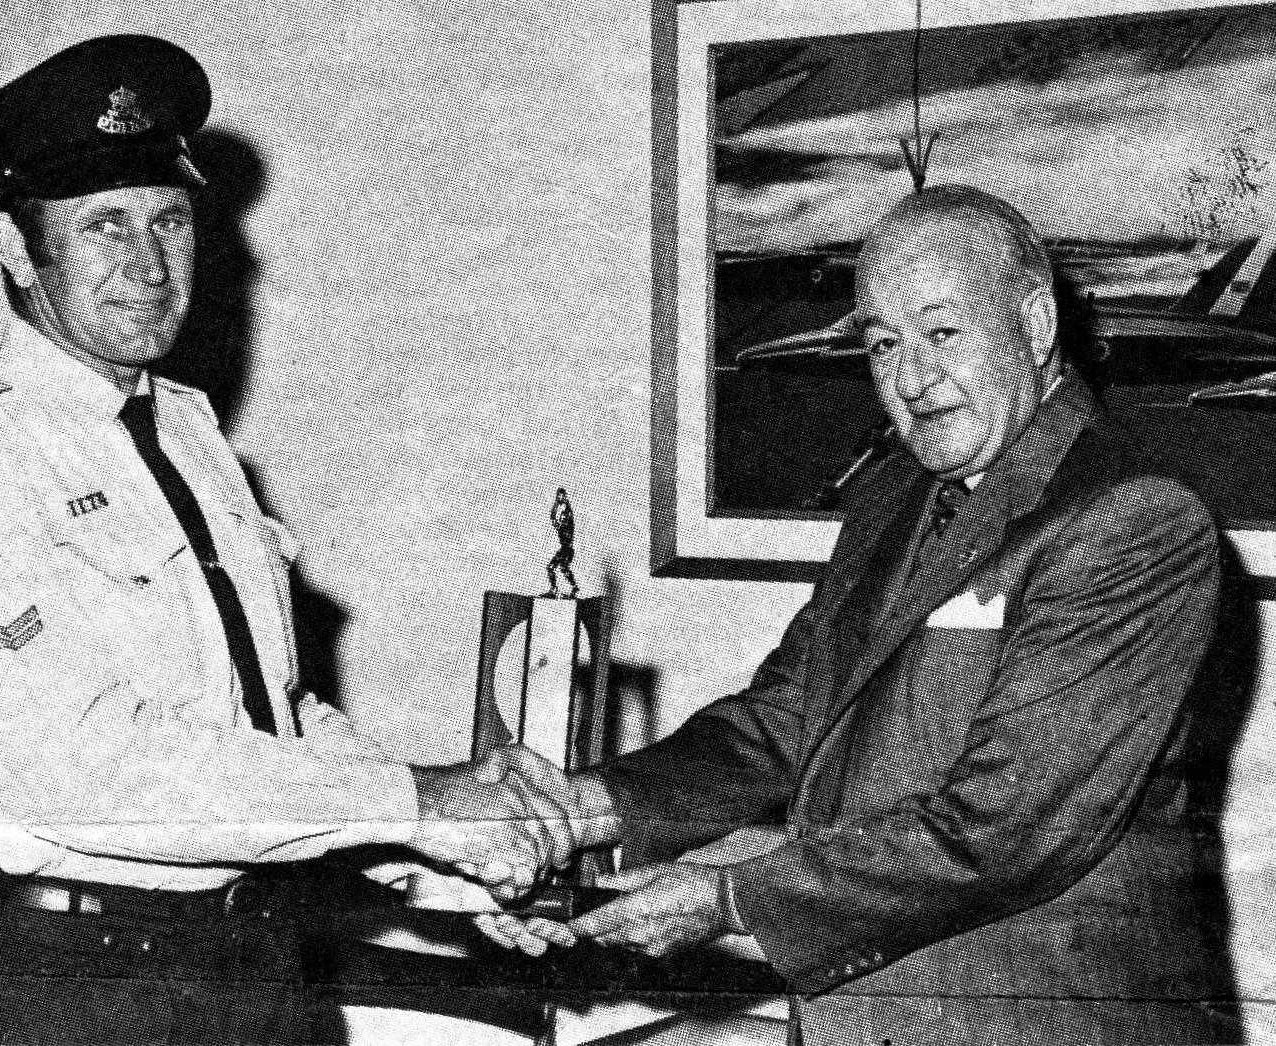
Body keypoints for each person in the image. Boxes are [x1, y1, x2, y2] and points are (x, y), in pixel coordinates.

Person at [0, 35, 567, 1046]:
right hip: (69, 980)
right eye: (104, 225)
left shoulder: (184, 427)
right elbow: (86, 771)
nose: (149, 264)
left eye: (171, 220)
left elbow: (262, 711)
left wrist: (435, 854)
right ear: (19, 251)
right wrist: (416, 802)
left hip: (252, 957)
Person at [474, 185, 1242, 1044]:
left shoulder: (1133, 518)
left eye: (943, 333)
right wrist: (591, 810)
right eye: (883, 345)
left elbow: (1007, 825)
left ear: (1033, 325)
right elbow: (783, 721)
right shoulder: (888, 503)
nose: (911, 380)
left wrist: (727, 900)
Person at [544, 487, 578, 598]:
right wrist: (556, 504)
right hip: (565, 548)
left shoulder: (567, 516)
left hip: (567, 549)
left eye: (560, 495)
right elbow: (554, 519)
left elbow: (558, 520)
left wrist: (561, 502)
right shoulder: (564, 519)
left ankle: (556, 589)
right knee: (559, 568)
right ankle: (573, 588)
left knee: (554, 568)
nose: (561, 518)